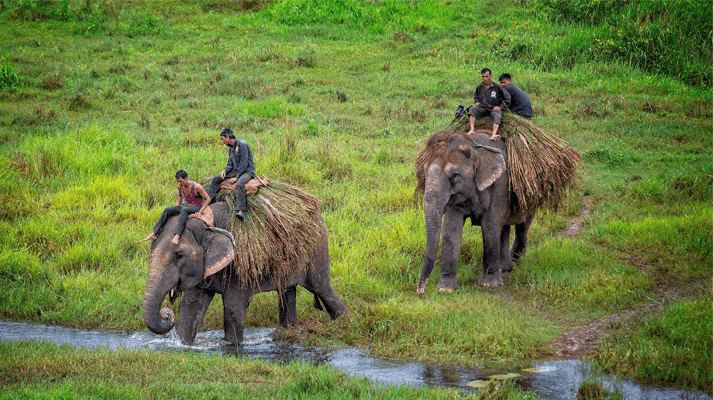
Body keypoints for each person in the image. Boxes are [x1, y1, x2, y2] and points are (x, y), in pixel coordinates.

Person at [143, 170, 211, 244]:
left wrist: (200, 212)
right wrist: (176, 207)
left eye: (180, 181)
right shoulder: (180, 187)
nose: (179, 183)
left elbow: (208, 199)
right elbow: (180, 196)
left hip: (196, 206)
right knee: (167, 210)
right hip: (186, 205)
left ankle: (177, 235)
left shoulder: (196, 187)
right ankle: (154, 233)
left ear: (186, 179)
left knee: (184, 210)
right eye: (178, 182)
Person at [205, 128, 255, 220]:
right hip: (236, 170)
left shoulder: (242, 145)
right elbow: (230, 164)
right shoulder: (231, 148)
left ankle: (241, 211)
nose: (222, 141)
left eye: (222, 138)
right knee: (216, 179)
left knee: (240, 184)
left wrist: (237, 177)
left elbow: (244, 164)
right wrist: (225, 170)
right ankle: (207, 201)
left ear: (227, 137)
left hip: (247, 171)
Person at [468, 68, 511, 141]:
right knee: (472, 109)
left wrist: (500, 107)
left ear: (490, 76)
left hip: (493, 108)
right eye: (483, 77)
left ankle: (494, 134)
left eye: (486, 76)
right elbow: (476, 96)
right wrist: (477, 101)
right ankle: (472, 129)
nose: (485, 78)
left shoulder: (497, 86)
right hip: (483, 107)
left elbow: (507, 98)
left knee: (497, 116)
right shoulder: (480, 86)